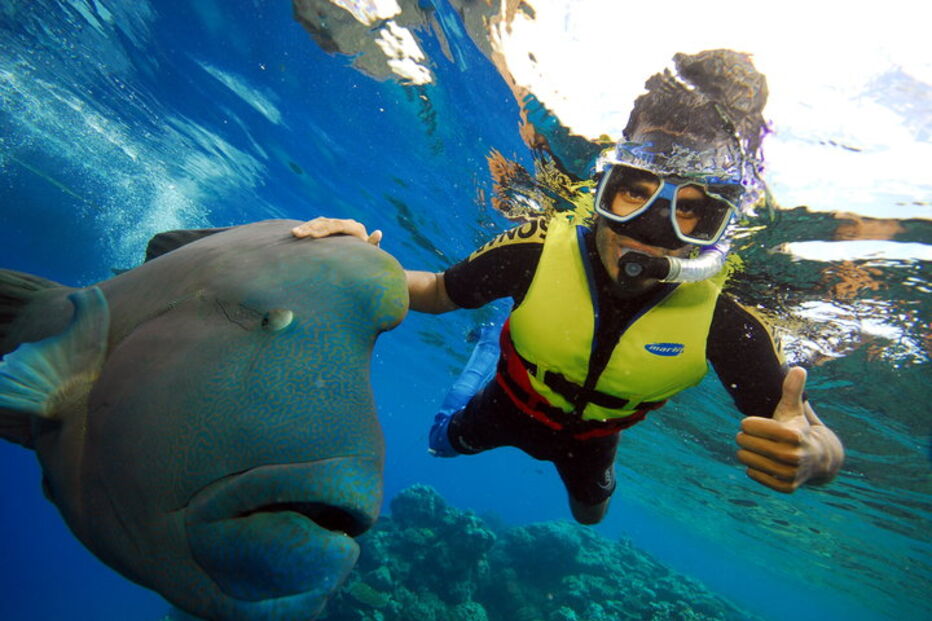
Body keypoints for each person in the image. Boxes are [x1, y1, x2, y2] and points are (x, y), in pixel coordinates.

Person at [292, 50, 844, 525]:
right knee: (441, 444)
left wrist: (819, 458)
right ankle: (488, 350)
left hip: (593, 440)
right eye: (634, 192)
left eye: (690, 211)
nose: (651, 231)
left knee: (590, 517)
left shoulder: (725, 318)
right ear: (604, 187)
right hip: (505, 401)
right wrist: (361, 261)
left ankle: (502, 338)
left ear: (717, 226)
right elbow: (437, 292)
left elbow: (805, 426)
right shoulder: (536, 250)